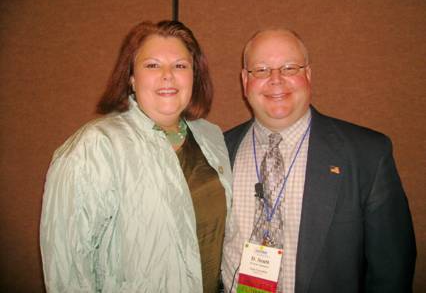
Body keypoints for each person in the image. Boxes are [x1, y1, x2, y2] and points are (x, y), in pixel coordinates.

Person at [40, 20, 232, 292]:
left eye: (180, 65)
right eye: (152, 65)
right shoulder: (94, 149)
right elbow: (68, 273)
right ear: (131, 77)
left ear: (194, 75)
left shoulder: (212, 138)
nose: (168, 75)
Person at [221, 28, 416, 293]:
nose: (276, 80)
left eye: (289, 68)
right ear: (245, 81)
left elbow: (392, 270)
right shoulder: (217, 151)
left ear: (308, 75)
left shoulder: (367, 154)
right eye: (262, 70)